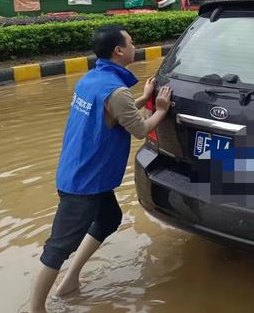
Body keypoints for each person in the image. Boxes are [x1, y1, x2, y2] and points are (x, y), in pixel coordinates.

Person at [29, 25, 172, 313]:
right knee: (58, 248)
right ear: (119, 50)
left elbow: (115, 113)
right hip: (84, 183)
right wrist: (160, 109)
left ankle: (70, 281)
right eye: (131, 42)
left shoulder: (92, 80)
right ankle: (36, 309)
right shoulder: (116, 91)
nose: (134, 46)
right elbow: (140, 129)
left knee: (109, 219)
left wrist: (142, 98)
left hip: (78, 170)